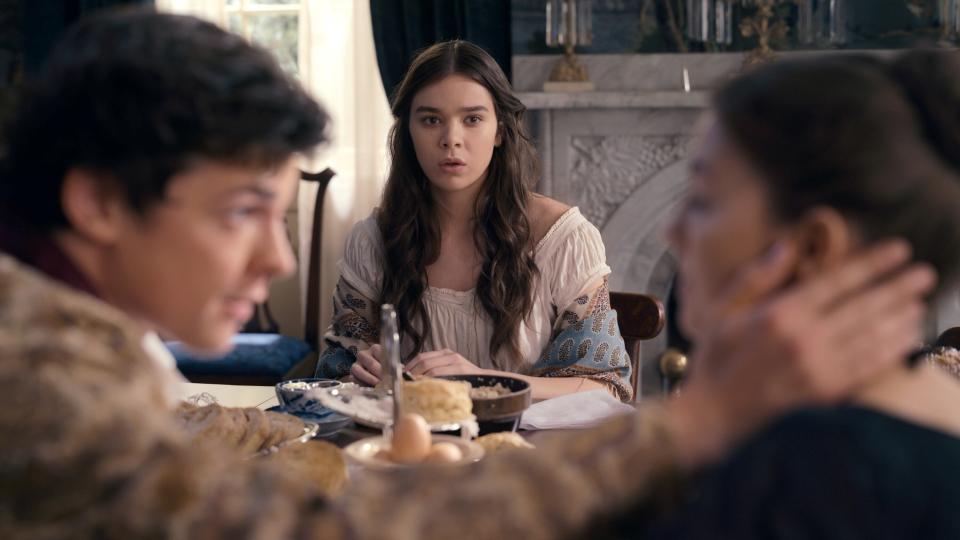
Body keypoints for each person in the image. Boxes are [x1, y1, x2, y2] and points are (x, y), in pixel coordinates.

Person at [0, 9, 935, 539]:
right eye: (245, 211)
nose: (279, 258)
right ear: (98, 204)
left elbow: (603, 378)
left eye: (474, 119)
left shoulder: (77, 348)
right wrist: (699, 423)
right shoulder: (39, 385)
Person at [615, 50, 960, 539]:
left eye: (705, 201)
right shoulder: (930, 416)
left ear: (814, 246)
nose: (673, 231)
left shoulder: (813, 464)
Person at [316, 41, 634, 401]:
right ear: (408, 131)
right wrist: (361, 371)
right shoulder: (373, 240)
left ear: (499, 130)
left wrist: (482, 381)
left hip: (524, 451)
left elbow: (607, 386)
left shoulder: (563, 239)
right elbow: (332, 374)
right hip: (412, 450)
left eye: (472, 119)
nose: (451, 140)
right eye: (431, 120)